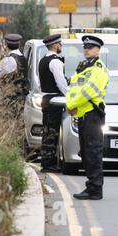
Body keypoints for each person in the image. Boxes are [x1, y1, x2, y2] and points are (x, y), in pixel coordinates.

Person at [66, 36, 109, 200]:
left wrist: (71, 105)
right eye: (85, 47)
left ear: (98, 50)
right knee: (85, 152)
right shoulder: (83, 68)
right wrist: (70, 105)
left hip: (92, 114)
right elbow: (73, 90)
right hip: (83, 114)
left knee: (93, 152)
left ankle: (95, 189)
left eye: (90, 47)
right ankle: (92, 186)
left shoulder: (98, 69)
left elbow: (88, 92)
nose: (86, 49)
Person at [38, 34, 68, 173]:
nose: (61, 45)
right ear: (55, 45)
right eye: (60, 43)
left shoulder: (43, 60)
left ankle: (46, 161)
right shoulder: (56, 62)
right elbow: (61, 83)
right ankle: (49, 163)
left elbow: (40, 83)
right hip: (54, 100)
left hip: (45, 98)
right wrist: (69, 97)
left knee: (47, 130)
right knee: (52, 132)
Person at [0, 34, 29, 113]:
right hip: (23, 96)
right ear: (19, 45)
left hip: (12, 97)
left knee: (10, 119)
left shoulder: (8, 60)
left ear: (6, 45)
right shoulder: (23, 58)